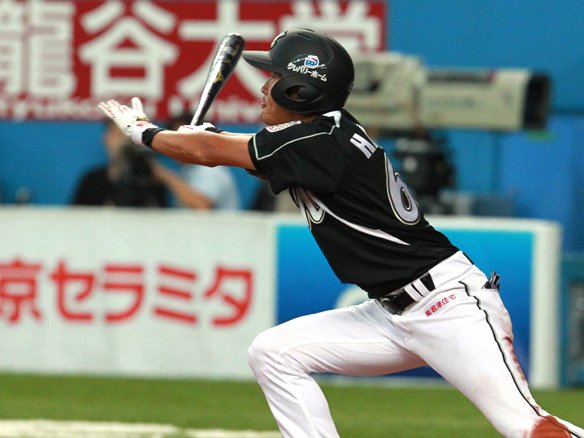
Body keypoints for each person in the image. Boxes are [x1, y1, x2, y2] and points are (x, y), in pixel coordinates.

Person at [99, 29, 583, 438]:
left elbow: (208, 152)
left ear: (301, 92)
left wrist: (145, 132)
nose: (263, 88)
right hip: (389, 314)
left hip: (447, 307)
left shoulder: (317, 141)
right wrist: (200, 140)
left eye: (274, 79)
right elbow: (233, 151)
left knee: (527, 427)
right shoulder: (319, 135)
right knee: (274, 353)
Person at [71, 119, 168, 207]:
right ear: (106, 138)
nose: (123, 141)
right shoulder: (92, 181)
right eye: (117, 134)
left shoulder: (149, 180)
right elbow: (74, 217)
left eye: (127, 136)